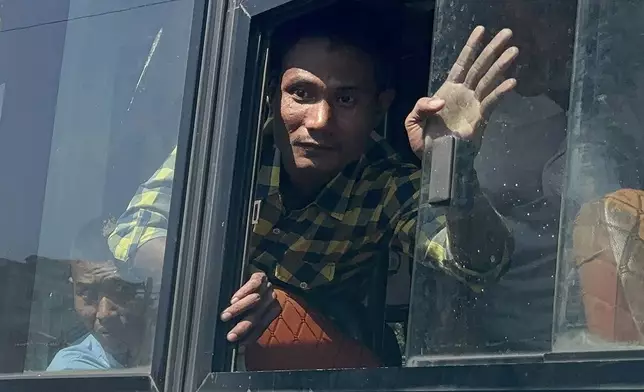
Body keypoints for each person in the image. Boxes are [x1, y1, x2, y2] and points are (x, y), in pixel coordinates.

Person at [107, 2, 518, 361]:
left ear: (380, 109)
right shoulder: (226, 150)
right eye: (301, 93)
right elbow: (136, 230)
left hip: (317, 363)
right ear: (271, 97)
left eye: (345, 99)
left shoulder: (387, 183)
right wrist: (225, 285)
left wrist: (453, 164)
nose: (319, 122)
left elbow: (479, 263)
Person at [47, 218, 154, 371]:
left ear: (147, 289)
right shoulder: (72, 371)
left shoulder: (182, 349)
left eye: (121, 291)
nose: (104, 313)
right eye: (87, 294)